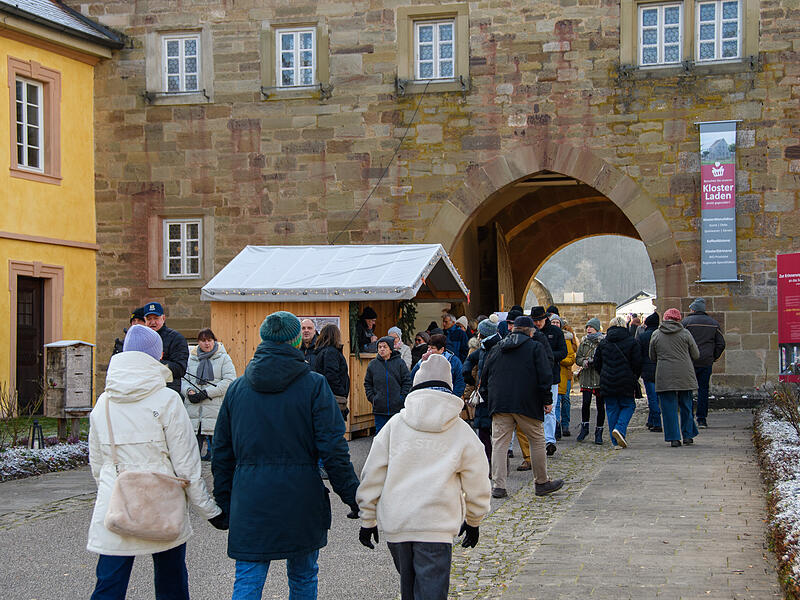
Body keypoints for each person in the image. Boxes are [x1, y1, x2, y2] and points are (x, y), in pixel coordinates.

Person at [212, 311, 360, 599]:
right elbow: (333, 449)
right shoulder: (314, 385)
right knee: (303, 576)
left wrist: (224, 501)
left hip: (251, 497)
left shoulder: (237, 389)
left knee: (248, 578)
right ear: (296, 340)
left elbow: (222, 452)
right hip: (301, 495)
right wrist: (353, 496)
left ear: (263, 339)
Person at [87, 325, 223, 600]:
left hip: (118, 504)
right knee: (171, 581)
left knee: (109, 584)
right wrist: (211, 512)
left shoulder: (103, 403)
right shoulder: (168, 399)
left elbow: (98, 465)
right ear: (158, 355)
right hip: (163, 502)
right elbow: (187, 467)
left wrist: (113, 486)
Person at [356, 354, 491, 600]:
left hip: (399, 522)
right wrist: (474, 520)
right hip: (435, 524)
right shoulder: (461, 432)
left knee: (409, 589)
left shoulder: (394, 426)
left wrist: (368, 519)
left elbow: (372, 475)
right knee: (431, 593)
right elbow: (478, 481)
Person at [479, 315, 563, 499]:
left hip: (500, 403)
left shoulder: (497, 348)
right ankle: (541, 482)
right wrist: (547, 400)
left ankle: (498, 486)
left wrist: (490, 399)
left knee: (499, 444)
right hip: (527, 402)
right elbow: (544, 375)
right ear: (531, 331)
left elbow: (484, 377)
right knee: (537, 440)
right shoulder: (535, 347)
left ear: (513, 329)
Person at [182, 328, 237, 462]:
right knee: (190, 458)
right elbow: (183, 379)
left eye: (209, 340)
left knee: (219, 457)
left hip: (214, 410)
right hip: (194, 412)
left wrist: (206, 393)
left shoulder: (223, 358)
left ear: (214, 341)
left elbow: (229, 381)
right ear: (198, 342)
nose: (207, 344)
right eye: (203, 340)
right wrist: (189, 391)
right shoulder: (191, 359)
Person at [650, 308, 701, 447]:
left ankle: (674, 438)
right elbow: (696, 354)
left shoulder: (656, 334)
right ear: (679, 319)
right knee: (686, 405)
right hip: (685, 373)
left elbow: (652, 356)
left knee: (668, 407)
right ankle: (688, 435)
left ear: (665, 318)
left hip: (664, 374)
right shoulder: (685, 333)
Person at [592, 316, 642, 449]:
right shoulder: (632, 342)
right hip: (626, 379)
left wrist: (604, 373)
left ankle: (616, 442)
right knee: (628, 405)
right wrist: (634, 376)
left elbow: (597, 362)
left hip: (608, 380)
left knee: (612, 409)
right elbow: (637, 363)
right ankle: (619, 429)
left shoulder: (603, 343)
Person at [682, 298, 726, 428]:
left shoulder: (686, 323)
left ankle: (688, 418)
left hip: (689, 361)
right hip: (706, 361)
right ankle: (701, 419)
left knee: (687, 390)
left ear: (694, 309)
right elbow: (721, 344)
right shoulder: (713, 323)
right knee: (703, 390)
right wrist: (714, 357)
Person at [462, 316, 501, 462]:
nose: (478, 335)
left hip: (493, 396)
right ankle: (489, 464)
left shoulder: (497, 348)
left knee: (496, 435)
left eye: (480, 332)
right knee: (485, 433)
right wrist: (468, 376)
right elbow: (471, 359)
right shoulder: (484, 348)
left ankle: (496, 465)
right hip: (484, 395)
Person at [530, 306, 567, 456]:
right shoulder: (530, 332)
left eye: (540, 320)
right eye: (535, 320)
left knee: (550, 408)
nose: (538, 323)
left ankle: (549, 440)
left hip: (551, 376)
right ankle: (538, 439)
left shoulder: (556, 332)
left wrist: (547, 356)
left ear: (545, 318)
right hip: (533, 376)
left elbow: (563, 352)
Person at [364, 335, 412, 433]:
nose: (382, 349)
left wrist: (401, 398)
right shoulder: (373, 364)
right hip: (379, 408)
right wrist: (373, 398)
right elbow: (368, 383)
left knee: (396, 435)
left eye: (384, 347)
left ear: (390, 349)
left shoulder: (400, 363)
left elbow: (407, 382)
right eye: (379, 347)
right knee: (380, 436)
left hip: (397, 408)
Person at [143, 302, 189, 395]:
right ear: (145, 320)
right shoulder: (141, 339)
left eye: (156, 318)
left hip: (167, 392)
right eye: (149, 319)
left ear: (163, 318)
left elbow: (180, 369)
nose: (152, 322)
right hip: (145, 391)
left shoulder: (176, 338)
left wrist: (154, 362)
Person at [575, 318, 605, 445]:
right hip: (587, 377)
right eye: (587, 327)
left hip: (598, 378)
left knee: (600, 406)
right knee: (585, 404)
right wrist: (584, 361)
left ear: (597, 329)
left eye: (591, 327)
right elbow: (578, 358)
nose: (588, 329)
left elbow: (605, 358)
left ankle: (599, 432)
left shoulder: (603, 343)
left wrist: (596, 361)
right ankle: (585, 428)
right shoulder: (584, 342)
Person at [312, 323, 351, 420]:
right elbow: (331, 375)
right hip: (334, 398)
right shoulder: (331, 352)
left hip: (326, 396)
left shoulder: (322, 352)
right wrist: (341, 392)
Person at [410, 333, 466, 398]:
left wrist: (453, 398)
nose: (429, 350)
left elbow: (460, 381)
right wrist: (421, 362)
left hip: (445, 398)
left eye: (433, 348)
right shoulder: (425, 359)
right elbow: (412, 377)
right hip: (426, 398)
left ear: (441, 349)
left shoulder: (453, 361)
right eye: (428, 347)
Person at [551, 314, 576, 438]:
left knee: (565, 401)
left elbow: (571, 358)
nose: (555, 324)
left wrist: (558, 359)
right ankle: (556, 427)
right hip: (553, 375)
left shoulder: (566, 339)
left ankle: (565, 424)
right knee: (555, 403)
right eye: (553, 322)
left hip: (564, 375)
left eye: (557, 322)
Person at [637, 313, 662, 432]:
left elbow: (638, 355)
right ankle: (651, 420)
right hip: (661, 368)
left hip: (647, 369)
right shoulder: (661, 335)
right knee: (658, 397)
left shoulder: (642, 337)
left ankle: (656, 422)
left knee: (652, 398)